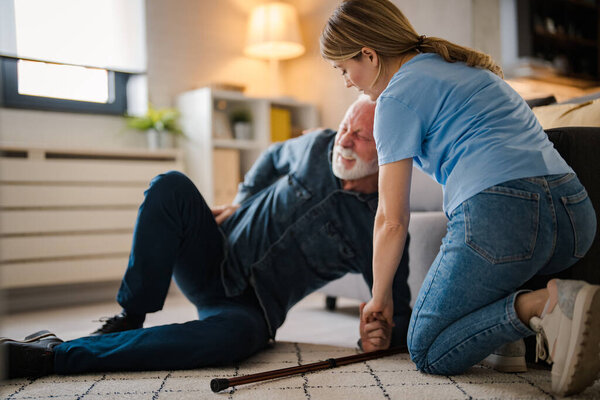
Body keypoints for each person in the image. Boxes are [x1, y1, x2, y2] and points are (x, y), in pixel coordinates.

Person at [1, 98, 412, 379]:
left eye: (361, 136)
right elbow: (271, 157)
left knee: (232, 341)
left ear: (390, 150)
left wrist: (375, 336)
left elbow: (398, 309)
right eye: (345, 126)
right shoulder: (318, 145)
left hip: (253, 310)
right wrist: (241, 201)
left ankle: (52, 355)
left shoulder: (384, 225)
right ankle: (129, 317)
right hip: (212, 252)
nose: (344, 140)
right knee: (170, 184)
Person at [320, 0, 599, 396]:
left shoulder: (395, 99)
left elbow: (391, 219)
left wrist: (379, 299)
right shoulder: (465, 66)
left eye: (344, 68)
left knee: (427, 348)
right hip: (576, 217)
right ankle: (507, 341)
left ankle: (544, 305)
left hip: (505, 218)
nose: (347, 81)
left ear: (369, 53)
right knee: (492, 266)